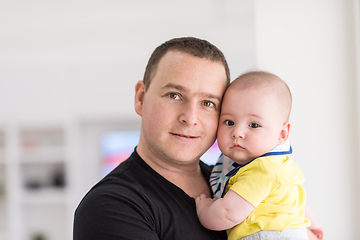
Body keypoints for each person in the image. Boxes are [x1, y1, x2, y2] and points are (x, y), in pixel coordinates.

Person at [73, 37, 230, 239]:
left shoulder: (231, 185)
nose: (190, 119)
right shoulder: (111, 206)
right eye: (174, 95)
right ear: (141, 98)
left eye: (208, 103)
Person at [195, 71, 324, 240]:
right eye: (229, 122)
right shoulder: (282, 165)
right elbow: (297, 201)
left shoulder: (262, 169)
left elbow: (228, 213)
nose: (237, 132)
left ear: (282, 134)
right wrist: (313, 224)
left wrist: (204, 210)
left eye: (254, 125)